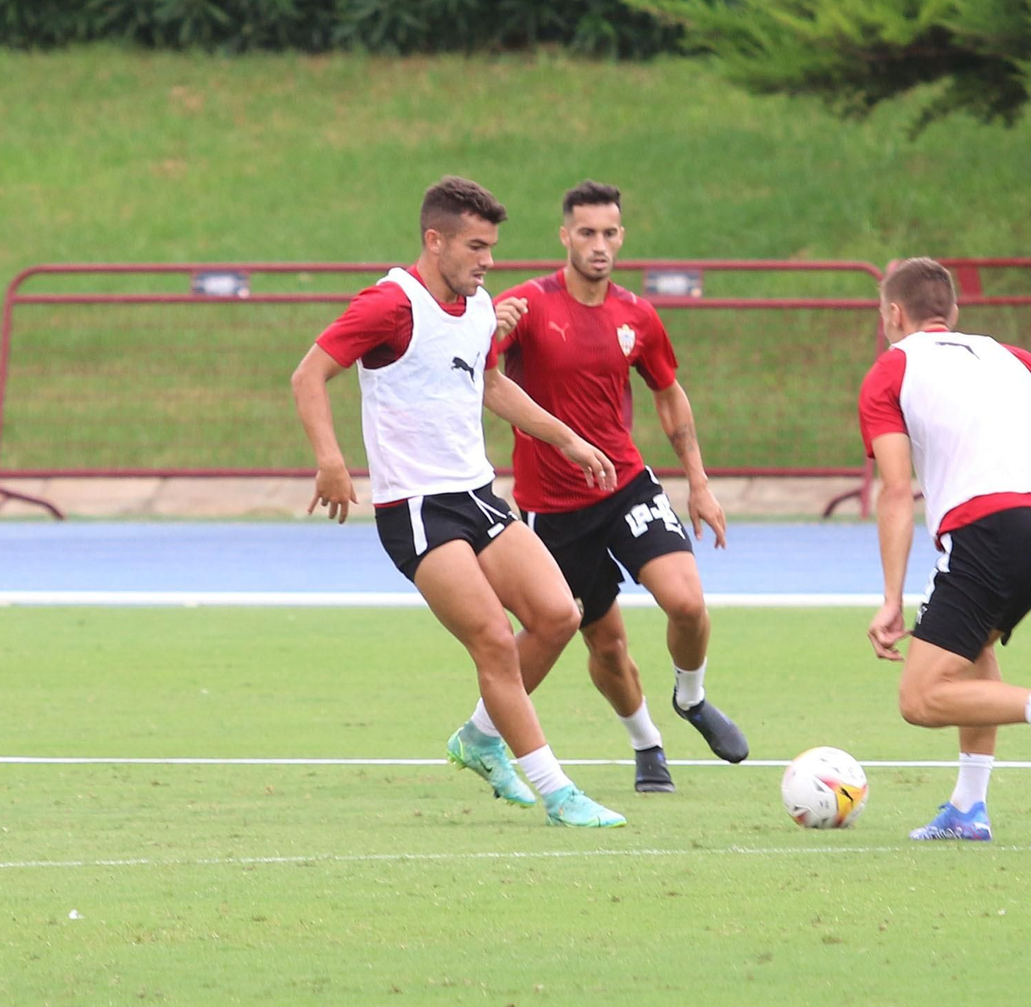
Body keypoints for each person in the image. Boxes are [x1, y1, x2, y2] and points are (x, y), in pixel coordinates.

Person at [290, 175, 627, 828]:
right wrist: (330, 458)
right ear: (434, 240)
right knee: (495, 643)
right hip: (417, 509)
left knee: (559, 614)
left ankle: (476, 738)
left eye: (492, 247)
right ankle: (557, 792)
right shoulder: (390, 304)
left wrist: (568, 439)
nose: (488, 261)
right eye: (476, 247)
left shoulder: (478, 306)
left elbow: (490, 384)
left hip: (477, 496)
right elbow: (309, 373)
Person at [482, 179, 748, 793]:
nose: (598, 245)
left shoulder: (638, 314)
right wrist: (487, 326)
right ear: (564, 236)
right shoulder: (527, 305)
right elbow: (478, 372)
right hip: (553, 511)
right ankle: (647, 745)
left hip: (627, 487)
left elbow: (668, 393)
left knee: (686, 602)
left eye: (608, 233)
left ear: (621, 237)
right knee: (607, 647)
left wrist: (699, 483)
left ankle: (693, 698)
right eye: (586, 233)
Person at [858, 256, 1031, 842]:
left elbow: (898, 489)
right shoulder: (1016, 358)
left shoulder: (890, 370)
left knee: (922, 697)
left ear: (893, 315)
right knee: (970, 647)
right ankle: (967, 808)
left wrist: (889, 599)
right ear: (952, 314)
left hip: (989, 530)